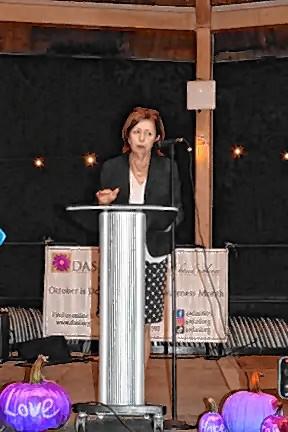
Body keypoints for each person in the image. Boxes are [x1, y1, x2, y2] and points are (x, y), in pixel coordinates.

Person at [96, 106, 183, 369]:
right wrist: (105, 204)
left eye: (148, 132)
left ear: (157, 138)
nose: (142, 138)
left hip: (153, 251)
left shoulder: (168, 168)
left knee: (143, 321)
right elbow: (102, 214)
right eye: (137, 131)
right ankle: (113, 382)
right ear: (128, 135)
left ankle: (138, 381)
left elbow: (177, 212)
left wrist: (154, 225)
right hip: (119, 250)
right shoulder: (112, 167)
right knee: (117, 318)